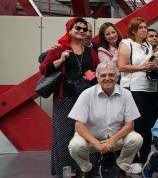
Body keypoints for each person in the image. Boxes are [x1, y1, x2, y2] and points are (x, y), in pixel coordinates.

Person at [39, 17, 100, 177]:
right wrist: (61, 59)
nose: (81, 31)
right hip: (64, 97)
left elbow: (97, 71)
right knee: (64, 134)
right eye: (77, 28)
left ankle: (88, 169)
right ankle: (66, 171)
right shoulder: (59, 49)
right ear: (69, 30)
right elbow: (44, 69)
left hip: (86, 98)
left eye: (85, 29)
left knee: (88, 132)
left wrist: (92, 75)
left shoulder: (91, 52)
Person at [68, 61, 143, 177]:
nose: (107, 78)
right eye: (103, 75)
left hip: (116, 138)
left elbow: (130, 124)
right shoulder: (86, 94)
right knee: (75, 146)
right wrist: (96, 143)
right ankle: (87, 169)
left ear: (117, 77)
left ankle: (121, 168)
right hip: (90, 138)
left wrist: (113, 140)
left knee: (136, 139)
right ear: (97, 77)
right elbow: (79, 125)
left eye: (111, 75)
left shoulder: (126, 94)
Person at [117, 17, 158, 167]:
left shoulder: (148, 45)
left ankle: (145, 158)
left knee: (148, 126)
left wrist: (154, 66)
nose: (144, 30)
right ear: (133, 30)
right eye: (140, 27)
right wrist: (142, 67)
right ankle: (132, 159)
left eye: (145, 27)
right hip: (134, 89)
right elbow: (121, 66)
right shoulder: (126, 44)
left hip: (150, 88)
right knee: (136, 125)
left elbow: (150, 64)